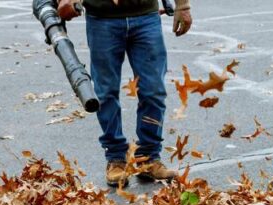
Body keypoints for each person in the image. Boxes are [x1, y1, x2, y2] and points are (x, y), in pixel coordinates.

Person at [77, 0, 193, 187]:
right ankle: (115, 158)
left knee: (153, 90)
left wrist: (183, 6)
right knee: (105, 93)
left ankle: (148, 158)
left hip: (145, 17)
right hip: (102, 18)